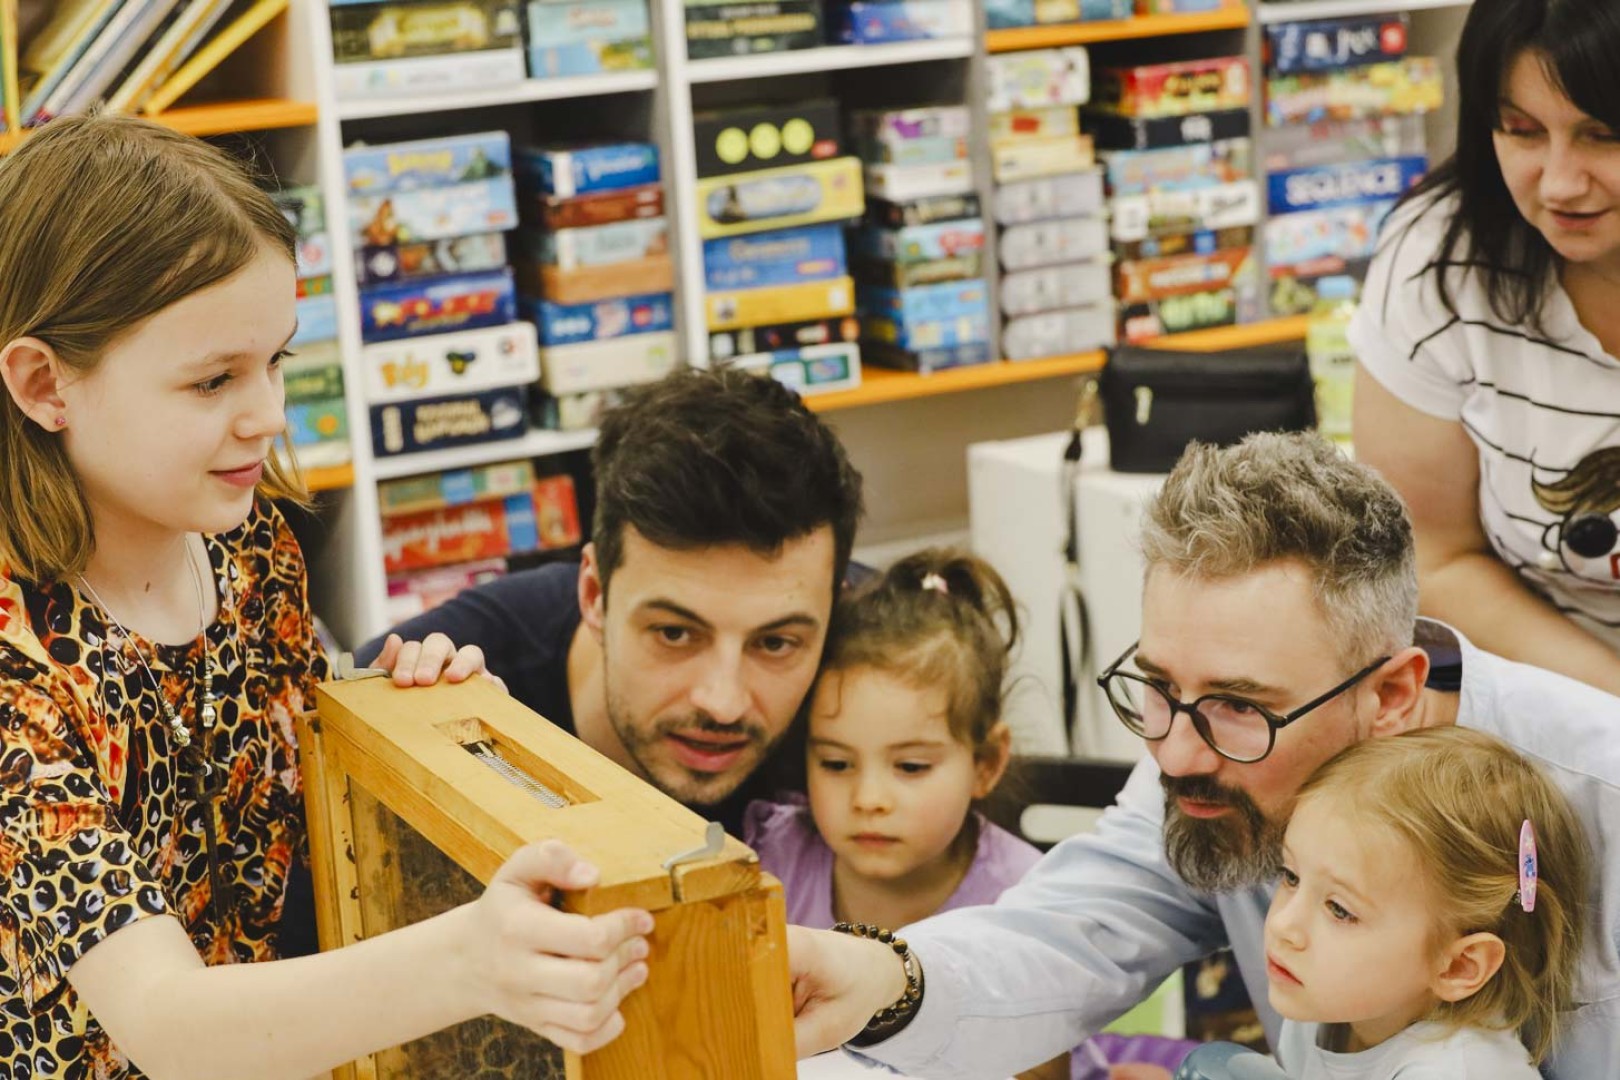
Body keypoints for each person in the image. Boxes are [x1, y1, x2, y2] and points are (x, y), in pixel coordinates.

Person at [0, 115, 650, 1078]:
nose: (268, 415)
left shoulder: (248, 546)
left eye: (277, 362)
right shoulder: (16, 674)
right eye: (213, 381)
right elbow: (169, 1025)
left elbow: (305, 824)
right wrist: (470, 962)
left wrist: (401, 721)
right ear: (45, 384)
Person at [784, 432, 1620, 1080]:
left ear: (1392, 695)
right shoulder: (1203, 753)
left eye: (1239, 705)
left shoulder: (1600, 792)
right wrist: (878, 977)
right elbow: (1070, 934)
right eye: (1158, 686)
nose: (1174, 754)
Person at [747, 549, 1196, 1080]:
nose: (868, 798)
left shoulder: (1028, 901)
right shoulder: (765, 862)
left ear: (985, 763)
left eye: (911, 766)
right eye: (836, 763)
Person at [358, 366, 865, 835]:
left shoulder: (891, 664)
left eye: (776, 643)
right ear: (594, 594)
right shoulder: (437, 677)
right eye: (674, 633)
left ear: (834, 611)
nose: (724, 704)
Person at [1350, 0, 1620, 696]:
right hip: (1560, 694)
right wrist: (1607, 708)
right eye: (1522, 131)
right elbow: (1433, 560)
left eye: (1603, 135)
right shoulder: (1440, 261)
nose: (1560, 183)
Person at [1264, 727, 1587, 1076]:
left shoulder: (1459, 1072)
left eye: (1340, 910)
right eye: (1291, 876)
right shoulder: (1319, 1002)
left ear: (1458, 966)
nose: (1283, 925)